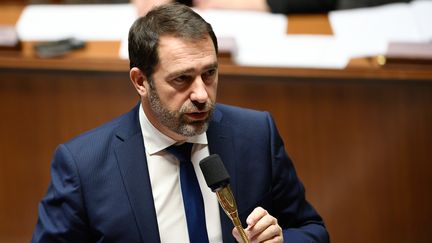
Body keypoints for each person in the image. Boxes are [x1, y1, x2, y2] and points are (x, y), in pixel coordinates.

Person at [31, 3, 329, 243]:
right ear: (140, 81)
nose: (201, 94)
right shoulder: (84, 166)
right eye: (182, 79)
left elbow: (311, 229)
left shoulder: (256, 135)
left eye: (209, 74)